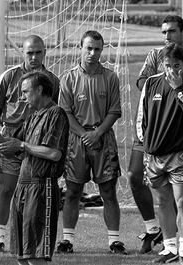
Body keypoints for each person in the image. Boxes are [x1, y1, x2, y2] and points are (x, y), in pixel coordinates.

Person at [0, 70, 69, 265]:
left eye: (25, 92)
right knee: (22, 256)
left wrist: (23, 145)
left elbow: (53, 153)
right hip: (23, 187)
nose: (22, 97)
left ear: (39, 90)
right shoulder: (32, 117)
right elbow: (13, 150)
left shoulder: (56, 113)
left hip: (42, 188)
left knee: (36, 255)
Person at [57, 30, 127, 254]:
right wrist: (83, 134)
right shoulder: (68, 79)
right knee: (73, 192)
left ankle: (114, 241)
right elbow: (65, 113)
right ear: (80, 48)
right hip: (76, 141)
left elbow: (115, 111)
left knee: (108, 192)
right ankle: (67, 240)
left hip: (103, 139)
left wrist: (97, 133)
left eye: (97, 49)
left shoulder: (110, 77)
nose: (93, 53)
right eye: (89, 48)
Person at [0, 35, 59, 252]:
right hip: (11, 141)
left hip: (39, 143)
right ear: (23, 52)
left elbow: (54, 110)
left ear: (45, 52)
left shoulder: (52, 80)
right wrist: (10, 129)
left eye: (38, 52)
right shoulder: (9, 77)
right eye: (30, 53)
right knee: (7, 188)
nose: (34, 57)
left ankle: (34, 238)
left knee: (36, 191)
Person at [131, 15, 183, 260]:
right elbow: (141, 117)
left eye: (176, 66)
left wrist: (178, 90)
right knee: (163, 202)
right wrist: (147, 146)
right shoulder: (151, 83)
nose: (171, 70)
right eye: (167, 65)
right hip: (155, 154)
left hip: (180, 152)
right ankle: (170, 248)